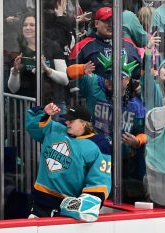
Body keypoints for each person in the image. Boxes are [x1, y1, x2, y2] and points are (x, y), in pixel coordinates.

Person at [67, 55, 148, 203]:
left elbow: (146, 133)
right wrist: (82, 69)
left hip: (123, 162)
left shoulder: (135, 105)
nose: (111, 79)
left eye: (118, 76)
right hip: (93, 157)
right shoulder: (94, 85)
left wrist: (138, 141)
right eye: (108, 75)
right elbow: (68, 73)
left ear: (127, 80)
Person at [26, 102, 112, 222]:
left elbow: (100, 181)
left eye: (71, 121)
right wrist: (44, 113)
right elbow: (32, 126)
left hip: (67, 210)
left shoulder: (98, 145)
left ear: (83, 123)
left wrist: (87, 203)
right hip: (40, 203)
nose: (67, 123)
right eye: (66, 120)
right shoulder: (54, 129)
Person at [7, 12, 69, 115]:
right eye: (25, 25)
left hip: (54, 105)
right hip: (29, 105)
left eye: (32, 25)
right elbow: (13, 89)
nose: (27, 28)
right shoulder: (18, 50)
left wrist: (47, 70)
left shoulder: (53, 46)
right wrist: (15, 72)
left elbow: (65, 80)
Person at [69, 6, 142, 80]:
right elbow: (70, 75)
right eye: (106, 21)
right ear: (96, 23)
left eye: (113, 21)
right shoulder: (82, 46)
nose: (110, 25)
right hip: (95, 91)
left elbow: (140, 71)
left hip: (126, 90)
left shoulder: (128, 43)